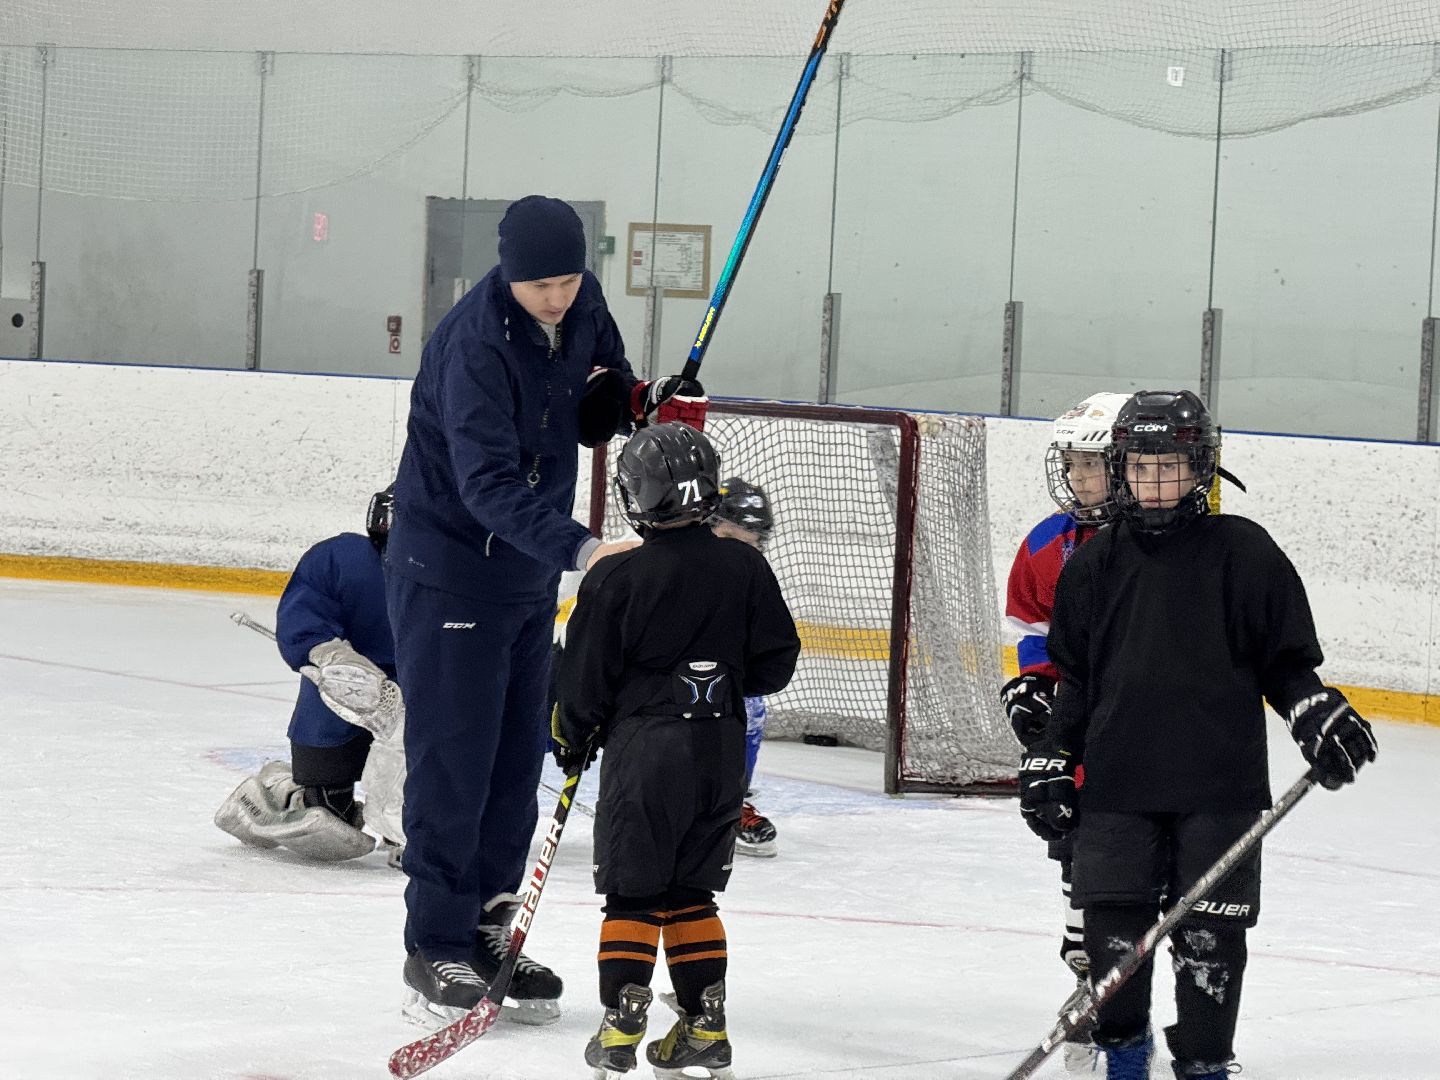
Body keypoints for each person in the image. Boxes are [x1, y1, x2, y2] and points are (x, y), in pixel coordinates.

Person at [386, 194, 706, 1029]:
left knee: (513, 757)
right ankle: (436, 942)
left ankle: (490, 926)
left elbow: (594, 395)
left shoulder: (584, 304)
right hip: (452, 570)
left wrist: (635, 401)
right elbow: (484, 483)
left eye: (568, 280)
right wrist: (583, 548)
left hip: (526, 578)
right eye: (541, 286)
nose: (558, 298)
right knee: (455, 758)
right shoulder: (472, 347)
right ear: (508, 275)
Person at [1020, 390, 1378, 1080]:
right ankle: (1125, 1064)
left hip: (1218, 788)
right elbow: (1078, 682)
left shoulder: (1242, 552)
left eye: (1172, 467)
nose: (1156, 485)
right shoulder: (1092, 567)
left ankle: (1206, 1067)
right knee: (1114, 954)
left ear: (1202, 469)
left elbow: (1287, 664)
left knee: (1212, 951)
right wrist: (1050, 756)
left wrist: (1314, 712)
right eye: (1143, 467)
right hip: (1118, 790)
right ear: (1121, 468)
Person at [551, 423, 800, 1080]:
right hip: (720, 754)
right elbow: (776, 663)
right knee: (693, 892)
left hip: (647, 751)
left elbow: (582, 681)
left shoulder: (617, 576)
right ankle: (703, 1023)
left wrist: (571, 737)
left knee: (633, 895)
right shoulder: (746, 565)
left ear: (638, 495)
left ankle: (621, 1020)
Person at [1001, 391, 1129, 1072]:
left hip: (1147, 735)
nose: (1081, 481)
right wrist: (1034, 688)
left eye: (1094, 467)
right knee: (1076, 856)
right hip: (1081, 737)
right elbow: (1030, 630)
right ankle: (1087, 980)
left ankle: (1129, 994)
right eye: (1074, 466)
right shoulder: (1050, 543)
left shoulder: (1161, 546)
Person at [214, 485, 397, 862]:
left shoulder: (460, 572)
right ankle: (282, 789)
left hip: (419, 698)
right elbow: (305, 619)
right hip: (338, 702)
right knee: (329, 816)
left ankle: (414, 822)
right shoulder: (341, 559)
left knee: (433, 774)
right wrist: (328, 654)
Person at [710, 476, 781, 858]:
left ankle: (729, 805)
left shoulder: (753, 582)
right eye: (729, 538)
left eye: (751, 543)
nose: (742, 552)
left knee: (751, 706)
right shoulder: (670, 562)